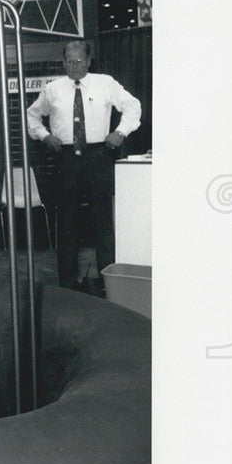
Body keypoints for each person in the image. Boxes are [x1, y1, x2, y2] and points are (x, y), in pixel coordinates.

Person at [26, 40, 141, 293]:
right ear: (63, 62)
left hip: (99, 154)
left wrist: (120, 132)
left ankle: (108, 282)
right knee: (66, 221)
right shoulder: (52, 89)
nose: (74, 66)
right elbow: (32, 115)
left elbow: (133, 106)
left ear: (89, 61)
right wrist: (45, 136)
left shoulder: (106, 83)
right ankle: (67, 283)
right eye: (69, 62)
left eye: (79, 61)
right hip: (66, 158)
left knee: (103, 221)